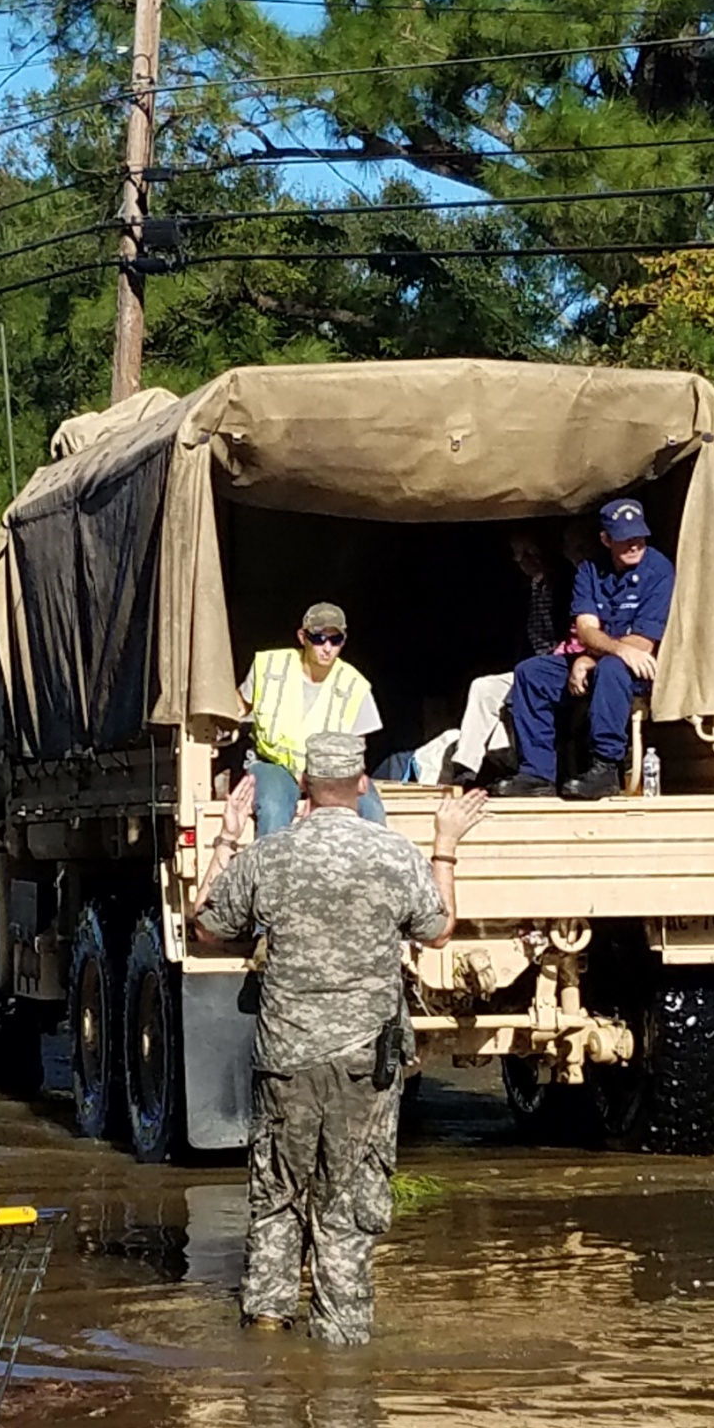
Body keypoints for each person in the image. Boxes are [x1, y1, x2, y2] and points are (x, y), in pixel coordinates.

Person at [193, 732, 487, 1345]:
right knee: (348, 1208)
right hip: (363, 1064)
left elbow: (208, 924)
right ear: (362, 784)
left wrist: (225, 836)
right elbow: (438, 931)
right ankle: (340, 1356)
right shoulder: (393, 855)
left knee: (277, 1196)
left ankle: (268, 1334)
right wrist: (446, 845)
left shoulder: (271, 856)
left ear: (302, 784)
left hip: (286, 1060)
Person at [494, 498, 675, 801]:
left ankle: (605, 767)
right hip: (601, 657)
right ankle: (537, 773)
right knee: (531, 672)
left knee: (612, 668)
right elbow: (587, 629)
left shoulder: (658, 570)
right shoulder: (591, 570)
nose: (634, 545)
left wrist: (590, 659)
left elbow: (643, 643)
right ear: (606, 539)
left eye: (639, 537)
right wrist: (590, 655)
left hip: (636, 670)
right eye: (625, 538)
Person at [239, 601, 385, 836]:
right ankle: (272, 870)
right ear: (302, 637)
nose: (327, 647)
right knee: (274, 808)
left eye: (335, 640)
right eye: (318, 638)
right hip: (274, 765)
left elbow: (358, 749)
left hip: (334, 773)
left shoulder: (354, 685)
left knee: (373, 810)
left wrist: (325, 791)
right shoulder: (270, 666)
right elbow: (236, 707)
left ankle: (372, 869)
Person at [450, 529, 578, 791]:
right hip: (528, 669)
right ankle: (466, 768)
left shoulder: (568, 583)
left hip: (563, 667)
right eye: (517, 555)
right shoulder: (525, 589)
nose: (523, 561)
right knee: (483, 687)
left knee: (518, 694)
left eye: (529, 552)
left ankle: (513, 767)